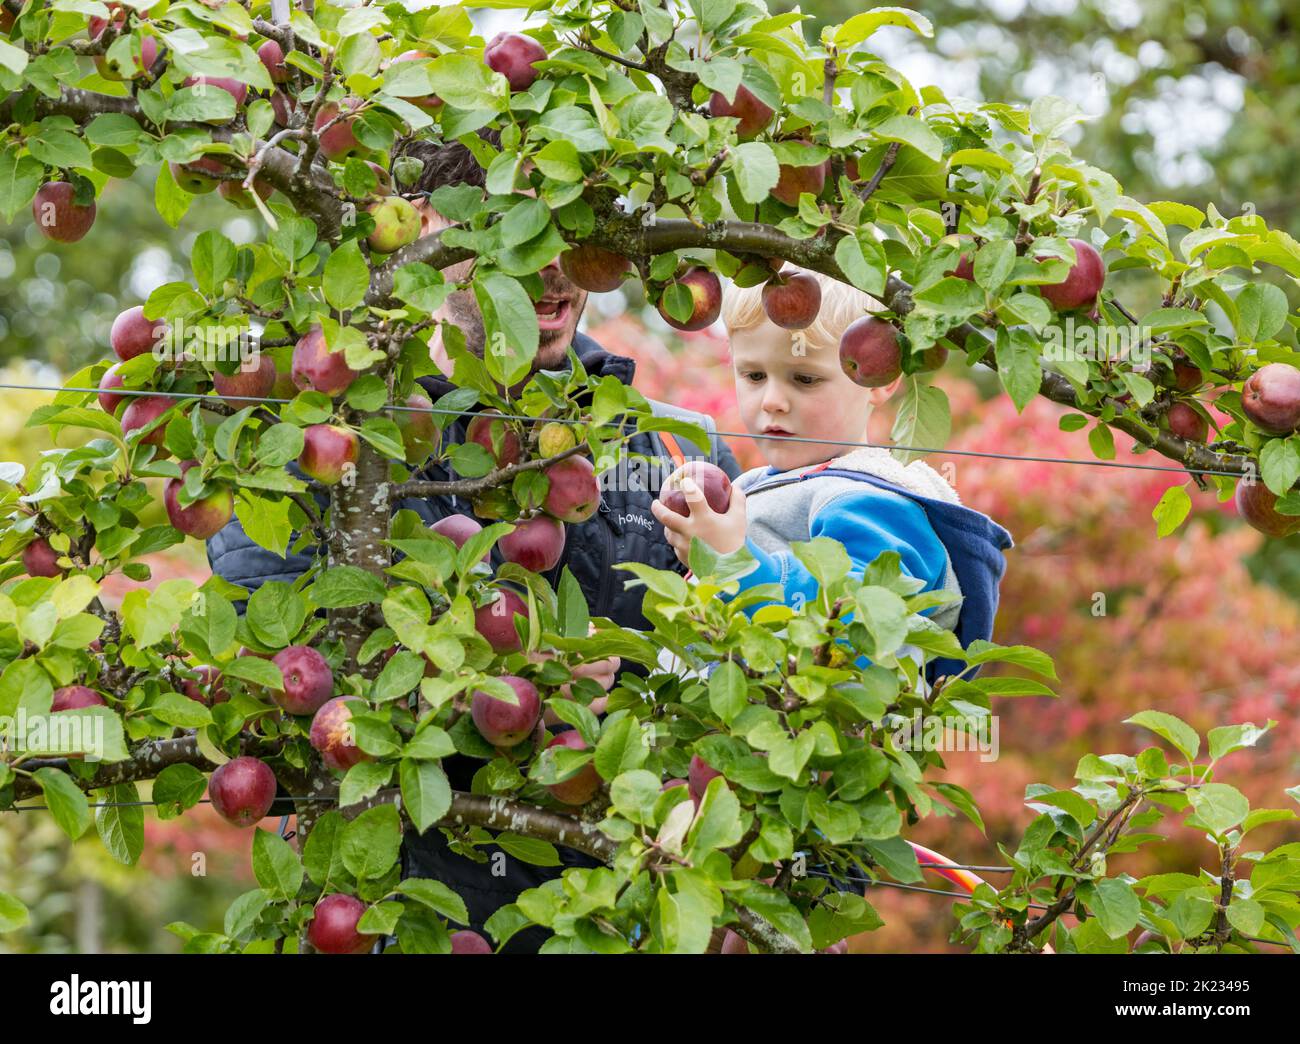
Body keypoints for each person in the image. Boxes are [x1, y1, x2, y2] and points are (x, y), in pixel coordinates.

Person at [205, 131, 742, 952]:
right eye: (512, 237)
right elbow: (279, 679)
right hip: (408, 908)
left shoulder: (672, 449)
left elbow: (730, 672)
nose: (551, 270)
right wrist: (484, 672)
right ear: (430, 234)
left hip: (613, 911)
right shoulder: (329, 441)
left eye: (569, 234)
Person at [650, 267, 1014, 688]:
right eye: (753, 375)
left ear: (879, 381)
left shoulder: (873, 501)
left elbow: (856, 634)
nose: (772, 401)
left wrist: (733, 558)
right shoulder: (754, 487)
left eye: (805, 378)